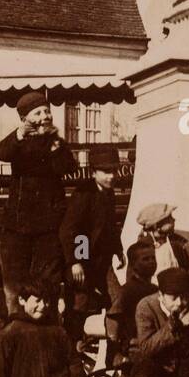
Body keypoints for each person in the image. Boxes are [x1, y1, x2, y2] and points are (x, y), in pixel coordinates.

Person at [0, 92, 77, 310]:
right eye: (38, 112)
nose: (45, 116)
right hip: (17, 226)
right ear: (24, 119)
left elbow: (69, 167)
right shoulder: (18, 141)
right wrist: (20, 134)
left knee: (47, 282)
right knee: (14, 284)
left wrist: (56, 147)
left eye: (47, 111)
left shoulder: (55, 142)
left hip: (47, 226)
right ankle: (16, 324)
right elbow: (2, 152)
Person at [58, 145, 123, 344]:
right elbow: (71, 229)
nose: (111, 176)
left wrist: (118, 251)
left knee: (119, 299)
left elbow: (110, 227)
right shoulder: (83, 194)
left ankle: (114, 340)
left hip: (102, 261)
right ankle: (72, 344)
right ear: (94, 172)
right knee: (79, 304)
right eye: (106, 172)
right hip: (83, 258)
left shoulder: (109, 194)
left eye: (114, 171)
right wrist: (77, 261)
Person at [105, 240, 158, 357]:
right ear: (133, 264)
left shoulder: (155, 289)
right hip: (134, 351)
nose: (151, 262)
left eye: (153, 258)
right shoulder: (127, 291)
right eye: (145, 259)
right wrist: (118, 351)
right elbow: (113, 320)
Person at [136, 203, 189, 273]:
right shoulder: (141, 247)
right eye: (169, 218)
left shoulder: (177, 242)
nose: (174, 219)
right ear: (156, 225)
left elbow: (186, 268)